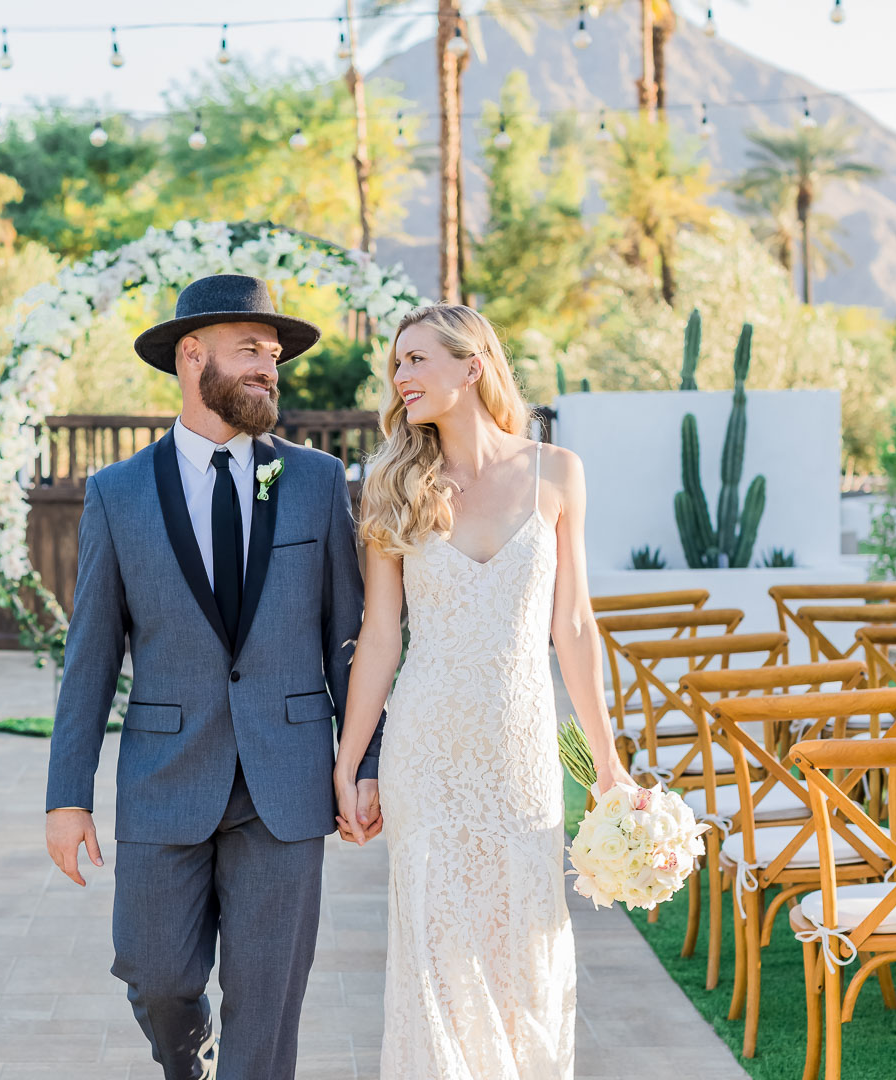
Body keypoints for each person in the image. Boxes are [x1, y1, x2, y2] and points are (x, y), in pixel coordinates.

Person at [45, 273, 382, 1080]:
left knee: (268, 1003)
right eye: (250, 349)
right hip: (165, 777)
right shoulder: (118, 493)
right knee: (157, 975)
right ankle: (187, 1063)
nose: (269, 367)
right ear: (192, 355)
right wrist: (67, 795)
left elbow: (348, 638)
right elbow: (91, 652)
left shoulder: (315, 481)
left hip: (286, 782)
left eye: (274, 355)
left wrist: (364, 762)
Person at [333, 303, 630, 1080]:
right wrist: (351, 761)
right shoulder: (392, 484)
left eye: (416, 359)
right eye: (396, 364)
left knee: (523, 953)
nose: (400, 377)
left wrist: (608, 763)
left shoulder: (557, 472)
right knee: (436, 959)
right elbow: (380, 637)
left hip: (520, 753)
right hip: (426, 754)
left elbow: (574, 625)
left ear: (472, 365)